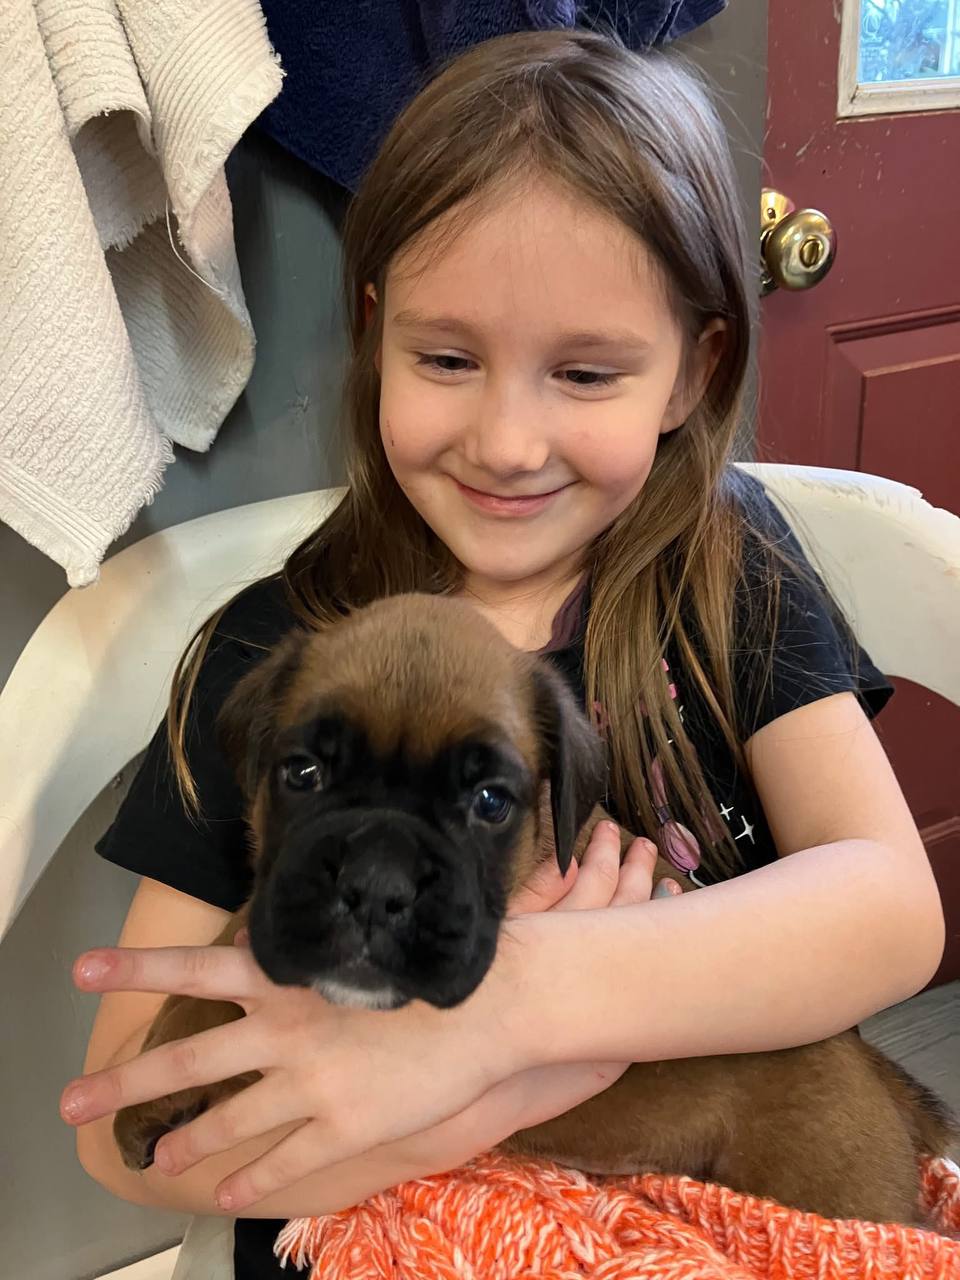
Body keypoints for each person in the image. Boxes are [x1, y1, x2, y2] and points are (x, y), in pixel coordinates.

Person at [62, 29, 944, 1280]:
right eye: (447, 358)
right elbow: (122, 1126)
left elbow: (891, 910)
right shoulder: (266, 645)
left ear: (691, 373)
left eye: (583, 371)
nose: (508, 440)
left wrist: (518, 1004)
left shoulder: (724, 568)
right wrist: (460, 1091)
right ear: (375, 332)